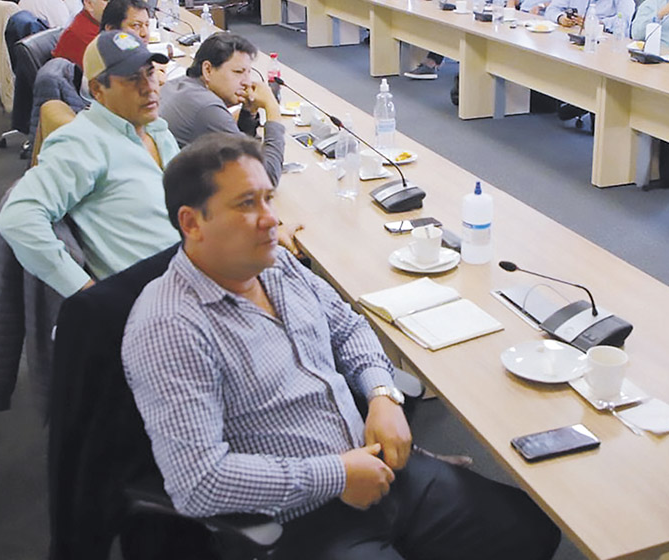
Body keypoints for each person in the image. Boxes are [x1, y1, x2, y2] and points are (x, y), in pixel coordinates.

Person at [122, 133, 563, 560]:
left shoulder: (275, 267)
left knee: (528, 529)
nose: (271, 218)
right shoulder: (170, 326)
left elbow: (349, 329)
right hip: (301, 517)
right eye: (246, 204)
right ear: (191, 222)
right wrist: (336, 475)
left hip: (381, 469)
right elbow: (198, 481)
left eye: (269, 198)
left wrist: (383, 396)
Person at [0, 30, 174, 299]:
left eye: (150, 72)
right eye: (131, 78)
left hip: (196, 275)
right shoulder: (82, 143)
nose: (149, 86)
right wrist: (87, 294)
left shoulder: (155, 129)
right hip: (155, 301)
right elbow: (18, 218)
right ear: (97, 89)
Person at [158, 32, 286, 184]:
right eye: (238, 72)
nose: (247, 82)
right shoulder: (207, 108)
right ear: (208, 70)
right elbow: (266, 178)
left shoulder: (181, 85)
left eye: (248, 72)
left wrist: (248, 111)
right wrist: (273, 108)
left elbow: (235, 148)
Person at [52, 0, 128, 65]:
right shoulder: (83, 37)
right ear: (89, 4)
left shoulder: (102, 25)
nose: (120, 6)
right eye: (110, 0)